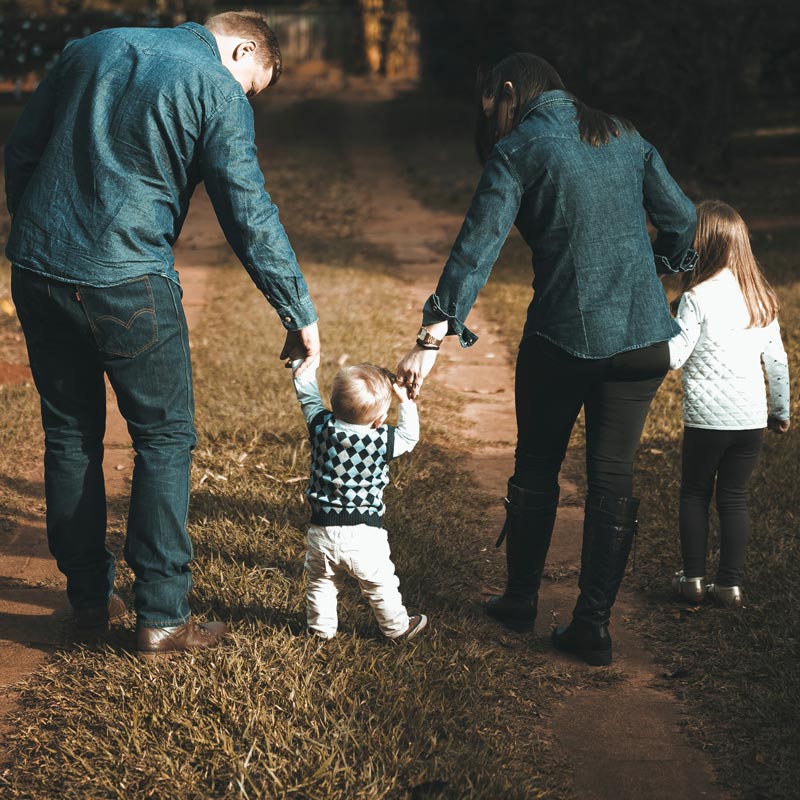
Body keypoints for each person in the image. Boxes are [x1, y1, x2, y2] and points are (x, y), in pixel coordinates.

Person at [5, 12, 320, 656]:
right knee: (164, 438)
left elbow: (22, 149)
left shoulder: (88, 47)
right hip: (128, 281)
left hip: (37, 270)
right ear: (241, 47)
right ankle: (164, 614)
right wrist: (296, 310)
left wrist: (36, 233)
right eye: (252, 85)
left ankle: (90, 600)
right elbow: (247, 210)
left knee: (70, 433)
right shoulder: (216, 87)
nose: (245, 98)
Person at [397, 53, 697, 666]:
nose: (496, 124)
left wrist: (429, 342)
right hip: (643, 343)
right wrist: (657, 270)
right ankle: (592, 626)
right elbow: (684, 222)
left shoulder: (521, 149)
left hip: (563, 340)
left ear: (509, 92)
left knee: (537, 466)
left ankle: (520, 600)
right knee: (612, 477)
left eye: (494, 110)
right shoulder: (624, 133)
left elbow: (474, 251)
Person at [668, 200, 790, 608]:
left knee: (695, 493)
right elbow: (776, 361)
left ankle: (693, 581)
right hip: (750, 420)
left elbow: (675, 357)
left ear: (700, 245)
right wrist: (780, 412)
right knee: (734, 497)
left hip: (706, 421)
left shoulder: (697, 298)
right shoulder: (760, 298)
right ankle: (730, 586)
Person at [291, 359, 426, 641]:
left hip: (322, 531)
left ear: (334, 404)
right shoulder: (382, 440)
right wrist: (405, 402)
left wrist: (302, 364)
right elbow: (409, 437)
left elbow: (307, 398)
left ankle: (320, 630)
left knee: (321, 583)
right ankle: (397, 628)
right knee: (380, 585)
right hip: (365, 535)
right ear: (378, 420)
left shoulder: (321, 428)